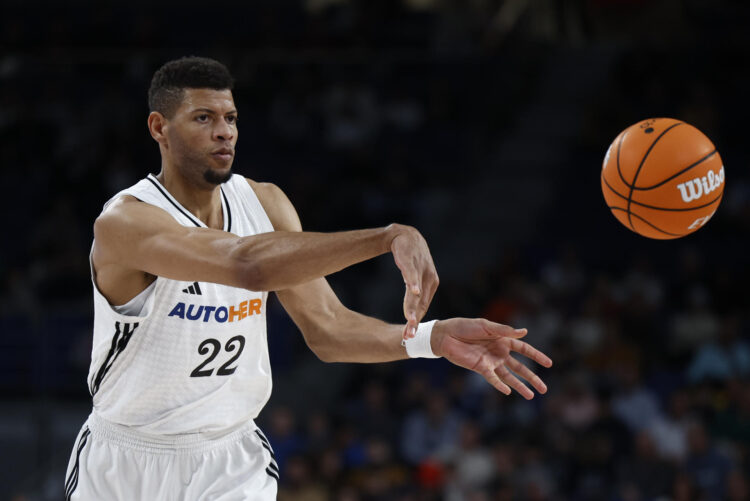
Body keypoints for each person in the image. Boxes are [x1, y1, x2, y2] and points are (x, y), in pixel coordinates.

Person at [64, 56, 553, 500]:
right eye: (203, 118)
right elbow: (247, 266)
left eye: (231, 118)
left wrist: (433, 337)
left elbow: (328, 329)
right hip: (125, 461)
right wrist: (386, 237)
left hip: (230, 459)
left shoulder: (266, 203)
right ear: (159, 128)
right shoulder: (125, 223)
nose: (224, 133)